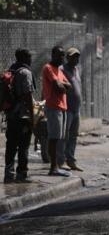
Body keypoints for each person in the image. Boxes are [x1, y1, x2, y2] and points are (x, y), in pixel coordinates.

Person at [4, 49, 35, 183]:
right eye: (29, 57)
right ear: (24, 58)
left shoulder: (11, 70)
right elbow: (27, 95)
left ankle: (8, 175)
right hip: (22, 116)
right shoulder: (25, 72)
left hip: (10, 115)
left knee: (11, 145)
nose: (31, 59)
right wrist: (33, 115)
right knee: (23, 145)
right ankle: (22, 174)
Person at [41, 46, 72, 177]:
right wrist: (62, 85)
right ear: (53, 55)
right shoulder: (48, 68)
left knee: (60, 137)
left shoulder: (59, 70)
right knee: (53, 138)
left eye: (63, 55)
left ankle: (57, 166)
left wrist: (62, 85)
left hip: (62, 107)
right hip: (53, 106)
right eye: (59, 55)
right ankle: (53, 168)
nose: (62, 58)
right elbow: (59, 87)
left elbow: (68, 86)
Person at [60, 47, 83, 172]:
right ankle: (61, 161)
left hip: (76, 109)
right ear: (67, 57)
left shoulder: (76, 70)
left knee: (73, 136)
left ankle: (71, 160)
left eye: (77, 56)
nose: (76, 59)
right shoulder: (61, 70)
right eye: (73, 56)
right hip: (66, 108)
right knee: (64, 135)